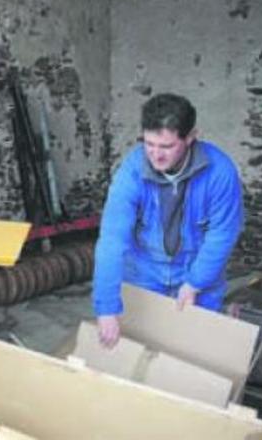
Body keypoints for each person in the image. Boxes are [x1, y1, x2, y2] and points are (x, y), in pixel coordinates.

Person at [92, 93, 244, 348]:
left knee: (198, 348)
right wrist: (106, 306)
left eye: (166, 146)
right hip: (144, 271)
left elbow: (222, 234)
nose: (155, 155)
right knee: (139, 346)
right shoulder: (131, 171)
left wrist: (196, 283)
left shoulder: (220, 172)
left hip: (198, 268)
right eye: (149, 144)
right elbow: (111, 240)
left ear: (190, 137)